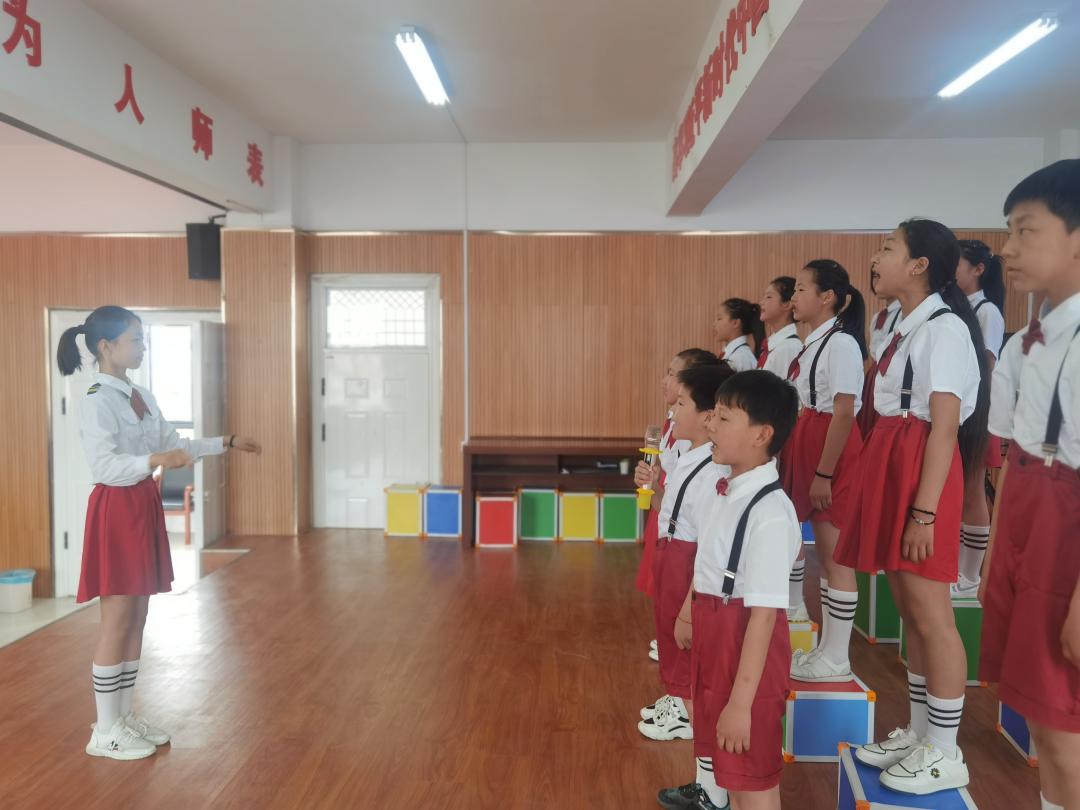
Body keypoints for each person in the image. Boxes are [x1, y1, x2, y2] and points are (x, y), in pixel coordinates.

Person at [56, 306, 261, 760]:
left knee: (137, 617)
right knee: (117, 618)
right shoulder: (96, 398)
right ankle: (104, 730)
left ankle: (123, 717)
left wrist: (226, 442)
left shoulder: (139, 394)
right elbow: (105, 466)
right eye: (135, 340)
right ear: (106, 346)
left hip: (140, 505)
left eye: (142, 339)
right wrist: (154, 461)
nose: (142, 347)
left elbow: (173, 445)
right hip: (116, 507)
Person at [835, 221, 987, 794]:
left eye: (887, 249)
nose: (875, 259)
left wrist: (924, 514)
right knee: (910, 613)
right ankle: (922, 732)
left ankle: (946, 749)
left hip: (920, 467)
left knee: (932, 616)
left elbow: (944, 429)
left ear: (920, 265)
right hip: (895, 458)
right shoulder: (905, 324)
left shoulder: (944, 330)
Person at [979, 159, 1080, 810]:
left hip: (1067, 535)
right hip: (1027, 519)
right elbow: (1013, 457)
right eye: (1008, 232)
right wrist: (996, 554)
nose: (1008, 250)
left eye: (1026, 230)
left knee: (1066, 726)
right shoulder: (1028, 341)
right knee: (1044, 722)